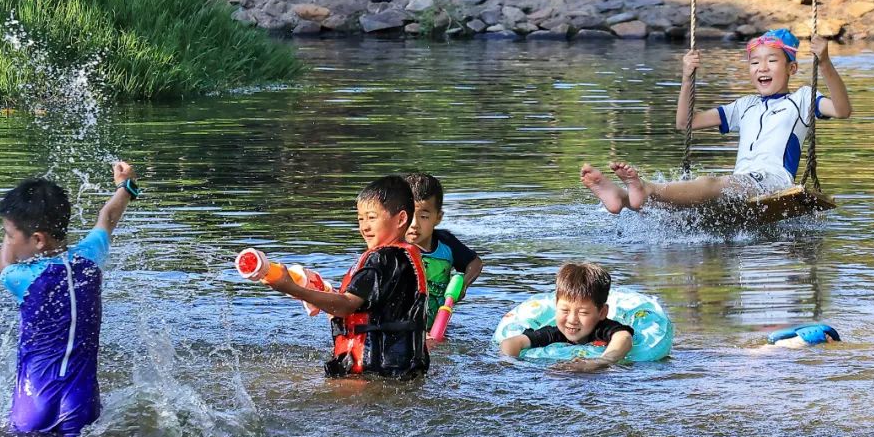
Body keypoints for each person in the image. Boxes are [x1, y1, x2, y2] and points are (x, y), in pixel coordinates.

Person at [581, 30, 853, 212]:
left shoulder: (803, 99)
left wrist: (825, 64)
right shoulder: (744, 106)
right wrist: (687, 78)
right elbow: (685, 122)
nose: (762, 68)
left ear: (792, 68)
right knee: (687, 208)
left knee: (710, 184)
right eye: (755, 63)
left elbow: (842, 110)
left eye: (772, 60)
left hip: (773, 184)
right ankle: (623, 198)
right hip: (742, 183)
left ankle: (645, 189)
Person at [0, 162, 140, 437]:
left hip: (33, 400)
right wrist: (125, 186)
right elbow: (107, 217)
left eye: (10, 235)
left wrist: (8, 235)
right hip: (82, 400)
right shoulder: (91, 257)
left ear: (38, 239)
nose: (9, 241)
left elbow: (3, 267)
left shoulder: (20, 277)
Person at [265, 175, 430, 379]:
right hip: (405, 374)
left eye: (371, 217)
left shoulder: (381, 260)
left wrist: (291, 288)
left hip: (374, 378)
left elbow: (345, 306)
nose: (364, 226)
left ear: (401, 219)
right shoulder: (405, 257)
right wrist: (321, 294)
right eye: (360, 219)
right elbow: (369, 310)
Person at [499, 262, 633, 370]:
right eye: (565, 310)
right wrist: (513, 366)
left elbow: (623, 337)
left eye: (583, 312)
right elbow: (510, 343)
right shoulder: (554, 333)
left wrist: (600, 362)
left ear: (602, 312)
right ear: (556, 305)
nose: (572, 320)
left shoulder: (604, 328)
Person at [403, 173, 484, 332]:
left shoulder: (446, 243)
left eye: (424, 216)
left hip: (438, 328)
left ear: (438, 218)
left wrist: (464, 285)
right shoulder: (393, 248)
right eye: (409, 215)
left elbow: (475, 263)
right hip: (403, 331)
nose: (414, 224)